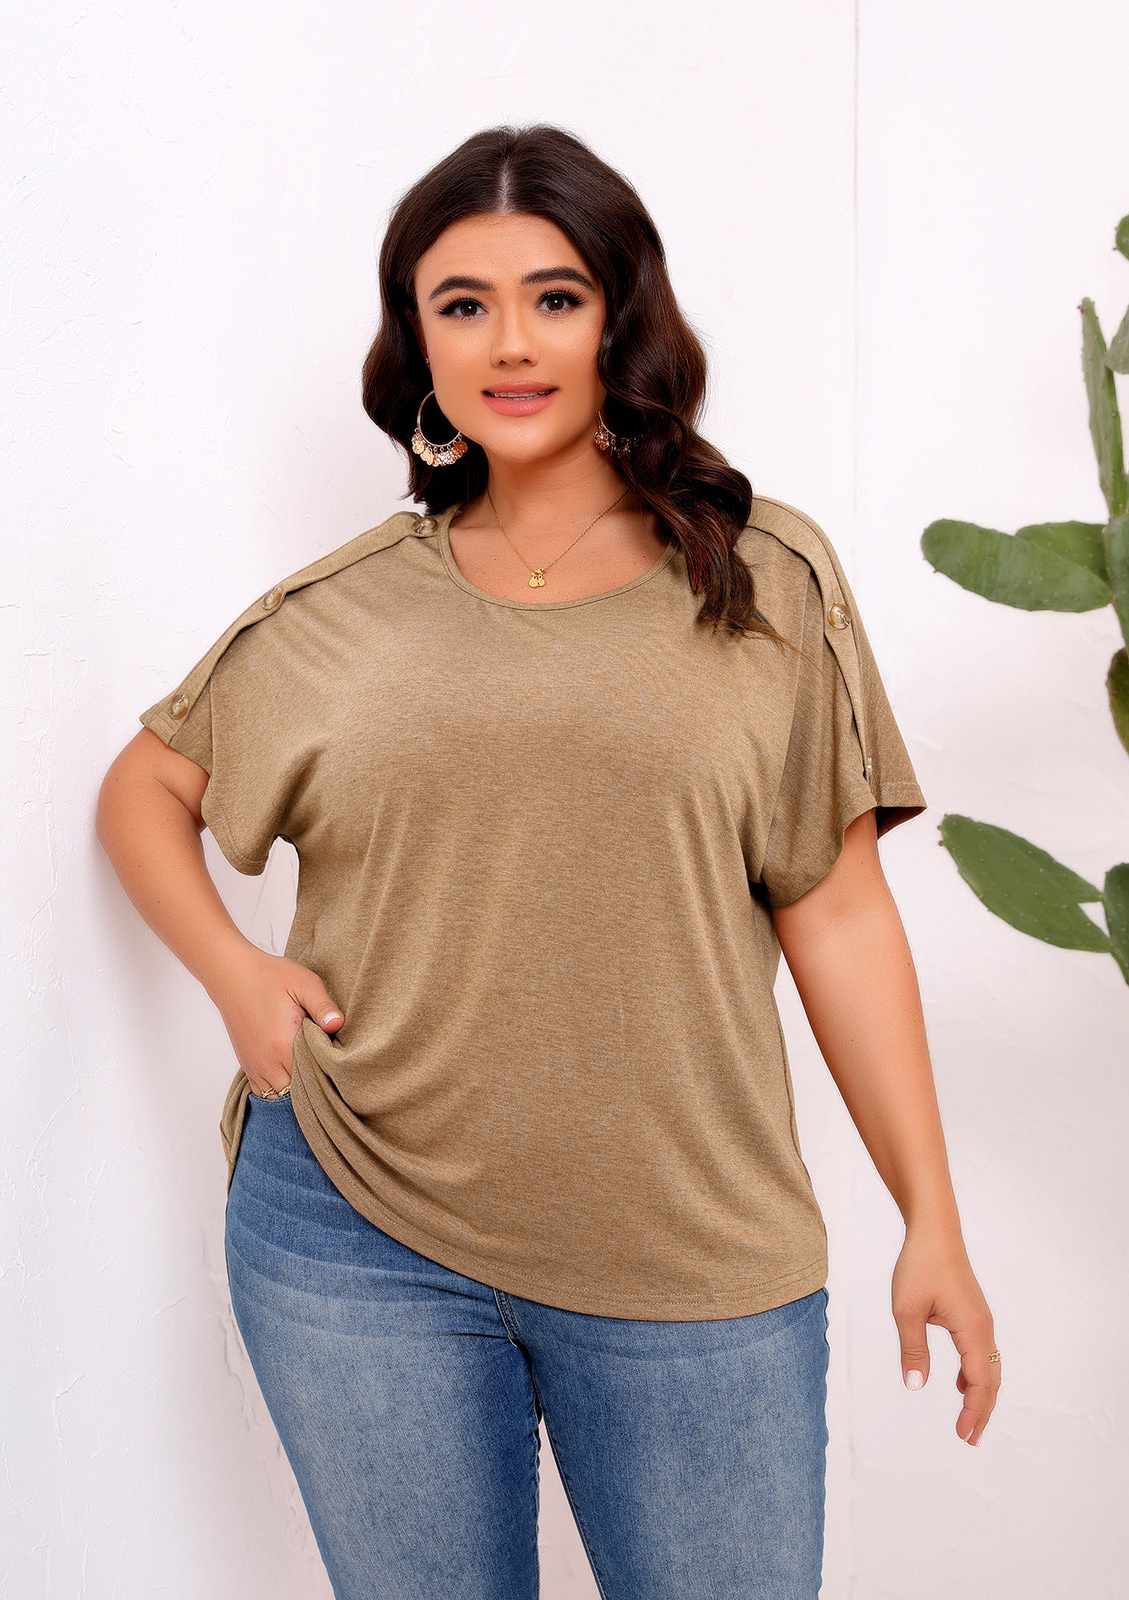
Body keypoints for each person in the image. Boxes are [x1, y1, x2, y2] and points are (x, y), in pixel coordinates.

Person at [95, 123, 1000, 1600]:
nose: (510, 343)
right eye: (462, 305)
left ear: (620, 319)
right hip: (354, 1234)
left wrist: (932, 1219)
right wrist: (236, 975)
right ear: (418, 344)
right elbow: (146, 785)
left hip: (690, 1248)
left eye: (555, 297)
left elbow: (839, 913)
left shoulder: (764, 579)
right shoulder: (344, 611)